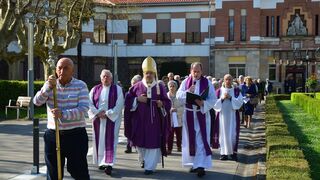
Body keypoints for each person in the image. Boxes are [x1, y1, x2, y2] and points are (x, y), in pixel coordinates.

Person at [33, 57, 90, 180]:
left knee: (78, 170)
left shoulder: (81, 85)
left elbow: (83, 109)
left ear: (72, 71)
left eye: (66, 68)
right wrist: (47, 87)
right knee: (53, 173)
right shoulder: (50, 85)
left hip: (75, 135)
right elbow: (36, 102)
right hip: (53, 134)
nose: (61, 71)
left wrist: (63, 114)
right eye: (59, 68)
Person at [124, 56, 171, 175]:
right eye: (146, 73)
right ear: (143, 73)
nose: (148, 75)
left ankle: (150, 167)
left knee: (153, 144)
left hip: (154, 123)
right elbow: (128, 100)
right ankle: (144, 160)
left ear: (154, 73)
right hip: (139, 121)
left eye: (150, 73)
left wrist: (162, 104)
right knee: (140, 145)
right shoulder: (137, 86)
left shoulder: (160, 87)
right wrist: (137, 99)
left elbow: (167, 102)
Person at [176, 62, 217, 177]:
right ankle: (194, 164)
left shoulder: (207, 82)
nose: (196, 74)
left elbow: (213, 99)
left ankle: (200, 166)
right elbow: (179, 96)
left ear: (201, 71)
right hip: (189, 115)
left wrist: (203, 103)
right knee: (190, 140)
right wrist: (188, 92)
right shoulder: (185, 82)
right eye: (194, 71)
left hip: (202, 114)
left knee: (200, 140)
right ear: (191, 71)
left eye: (198, 71)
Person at [88, 69, 124, 176]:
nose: (105, 78)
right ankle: (100, 162)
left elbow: (119, 104)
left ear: (111, 78)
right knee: (98, 141)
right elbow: (89, 103)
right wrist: (97, 113)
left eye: (108, 76)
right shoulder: (95, 89)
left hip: (111, 120)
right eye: (104, 76)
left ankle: (109, 164)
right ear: (100, 78)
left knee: (111, 141)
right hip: (98, 119)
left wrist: (108, 113)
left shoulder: (117, 89)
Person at [212, 74, 243, 161]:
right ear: (223, 80)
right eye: (226, 79)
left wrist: (230, 98)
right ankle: (223, 153)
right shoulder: (218, 91)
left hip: (233, 116)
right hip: (222, 117)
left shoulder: (236, 91)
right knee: (222, 134)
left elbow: (240, 102)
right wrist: (222, 98)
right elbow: (213, 103)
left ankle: (233, 153)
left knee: (233, 134)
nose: (228, 81)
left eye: (230, 79)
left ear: (232, 80)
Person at [124, 75, 142, 154]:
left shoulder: (142, 92)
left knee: (138, 131)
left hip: (139, 115)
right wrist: (136, 99)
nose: (134, 85)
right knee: (129, 129)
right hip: (130, 115)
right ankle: (129, 145)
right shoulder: (128, 93)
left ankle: (139, 148)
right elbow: (127, 103)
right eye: (133, 83)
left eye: (136, 83)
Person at [167, 80, 183, 155]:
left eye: (173, 86)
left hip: (178, 117)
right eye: (170, 86)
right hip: (169, 118)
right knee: (170, 134)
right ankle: (169, 148)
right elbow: (164, 106)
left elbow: (183, 107)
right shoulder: (166, 96)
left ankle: (179, 146)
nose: (172, 88)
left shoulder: (179, 96)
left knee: (178, 133)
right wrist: (169, 110)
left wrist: (177, 110)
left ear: (176, 87)